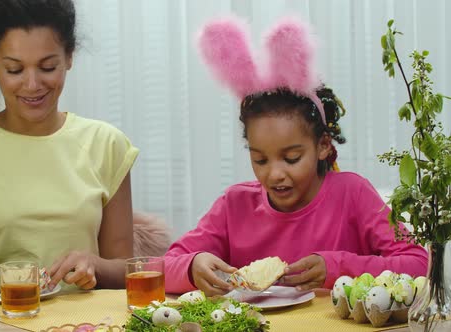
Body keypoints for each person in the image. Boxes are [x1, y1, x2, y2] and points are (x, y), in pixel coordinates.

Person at [164, 16, 428, 296]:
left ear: (323, 145)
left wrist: (338, 267)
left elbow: (418, 264)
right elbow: (159, 267)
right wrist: (191, 267)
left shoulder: (353, 194)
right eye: (260, 160)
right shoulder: (234, 205)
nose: (274, 174)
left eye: (291, 158)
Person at [0, 0, 139, 292]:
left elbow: (126, 271)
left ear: (69, 57)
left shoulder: (107, 145)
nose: (32, 85)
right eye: (15, 70)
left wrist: (95, 264)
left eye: (47, 67)